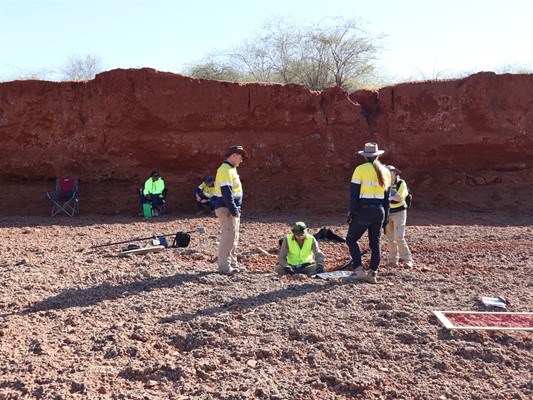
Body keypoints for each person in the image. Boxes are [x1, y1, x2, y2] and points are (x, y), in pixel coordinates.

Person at [346, 142, 391, 284]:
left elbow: (354, 194)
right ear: (377, 156)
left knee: (351, 239)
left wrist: (351, 212)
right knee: (375, 242)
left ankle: (359, 270)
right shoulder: (386, 171)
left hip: (365, 209)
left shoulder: (360, 169)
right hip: (380, 210)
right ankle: (373, 272)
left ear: (365, 157)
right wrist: (386, 217)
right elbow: (387, 198)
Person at [214, 145, 247, 275]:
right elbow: (226, 193)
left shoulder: (230, 170)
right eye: (240, 157)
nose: (241, 160)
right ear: (233, 155)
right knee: (228, 238)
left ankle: (232, 263)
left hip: (230, 209)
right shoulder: (225, 170)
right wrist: (234, 210)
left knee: (233, 237)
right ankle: (224, 267)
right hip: (226, 209)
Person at [384, 165, 413, 268]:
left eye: (390, 173)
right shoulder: (384, 184)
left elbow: (399, 198)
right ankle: (393, 260)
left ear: (395, 173)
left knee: (399, 237)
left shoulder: (401, 183)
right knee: (390, 238)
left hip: (399, 213)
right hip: (387, 213)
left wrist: (388, 197)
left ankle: (407, 260)